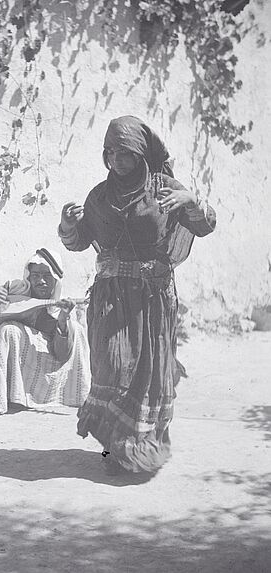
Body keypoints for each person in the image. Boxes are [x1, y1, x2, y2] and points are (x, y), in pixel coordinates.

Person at [58, 115, 216, 475]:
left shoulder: (165, 188)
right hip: (110, 299)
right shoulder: (98, 196)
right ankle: (118, 445)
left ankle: (138, 451)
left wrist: (191, 200)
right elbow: (81, 241)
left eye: (125, 152)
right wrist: (68, 226)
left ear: (141, 155)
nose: (117, 159)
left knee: (147, 372)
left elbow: (205, 226)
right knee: (113, 366)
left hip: (152, 299)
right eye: (111, 152)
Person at [0, 248, 91, 414]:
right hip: (12, 348)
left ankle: (46, 394)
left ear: (55, 280)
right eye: (36, 276)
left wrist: (62, 321)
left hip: (45, 365)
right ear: (28, 277)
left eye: (47, 276)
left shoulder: (57, 308)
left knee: (76, 329)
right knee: (9, 330)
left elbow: (62, 355)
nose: (41, 281)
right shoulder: (16, 290)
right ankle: (6, 393)